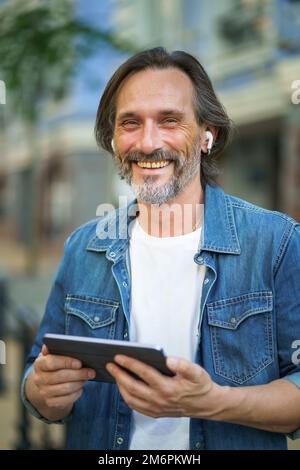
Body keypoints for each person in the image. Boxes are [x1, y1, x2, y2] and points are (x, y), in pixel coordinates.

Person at [21, 47, 300, 450]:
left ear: (208, 135)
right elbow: (36, 376)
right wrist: (41, 394)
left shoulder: (277, 243)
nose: (148, 143)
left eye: (169, 120)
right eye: (130, 123)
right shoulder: (83, 248)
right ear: (114, 140)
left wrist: (214, 403)